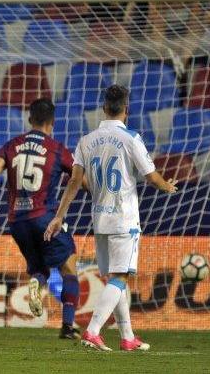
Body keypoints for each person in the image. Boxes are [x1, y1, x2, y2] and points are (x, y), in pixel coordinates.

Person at [44, 85, 178, 351]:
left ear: (104, 108)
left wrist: (59, 216)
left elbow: (74, 181)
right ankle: (93, 331)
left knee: (114, 279)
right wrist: (168, 186)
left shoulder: (86, 140)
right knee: (120, 278)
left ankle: (127, 337)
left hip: (100, 220)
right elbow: (151, 176)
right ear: (126, 110)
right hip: (124, 220)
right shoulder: (131, 138)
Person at [0, 98, 82, 339]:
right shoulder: (57, 148)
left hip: (17, 222)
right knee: (69, 267)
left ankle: (37, 282)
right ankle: (68, 326)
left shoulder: (12, 144)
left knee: (40, 269)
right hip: (44, 217)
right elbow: (79, 179)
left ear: (29, 119)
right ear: (53, 122)